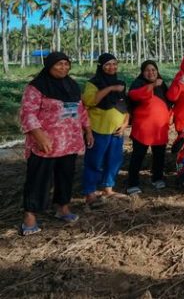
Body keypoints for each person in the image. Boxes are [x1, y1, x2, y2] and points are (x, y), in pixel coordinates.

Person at [19, 52, 92, 236]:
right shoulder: (36, 87)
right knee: (38, 179)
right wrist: (39, 135)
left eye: (66, 64)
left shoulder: (72, 85)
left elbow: (81, 110)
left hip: (69, 142)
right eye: (59, 64)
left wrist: (88, 130)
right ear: (49, 65)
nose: (64, 68)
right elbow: (28, 113)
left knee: (65, 176)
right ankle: (30, 216)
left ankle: (62, 207)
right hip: (46, 144)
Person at [81, 53, 130, 207]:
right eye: (108, 64)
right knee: (94, 161)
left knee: (114, 160)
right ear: (101, 66)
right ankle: (90, 192)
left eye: (114, 64)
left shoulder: (120, 83)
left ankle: (108, 188)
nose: (112, 67)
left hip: (117, 130)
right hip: (98, 129)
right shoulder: (93, 83)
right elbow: (89, 101)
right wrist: (110, 88)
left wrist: (125, 123)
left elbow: (124, 105)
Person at [127, 60, 172, 195]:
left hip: (159, 128)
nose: (151, 72)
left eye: (153, 70)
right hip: (143, 128)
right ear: (142, 72)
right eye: (147, 70)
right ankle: (132, 183)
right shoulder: (139, 84)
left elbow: (169, 100)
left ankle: (157, 178)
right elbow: (134, 95)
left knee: (159, 155)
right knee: (138, 156)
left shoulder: (162, 85)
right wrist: (152, 85)